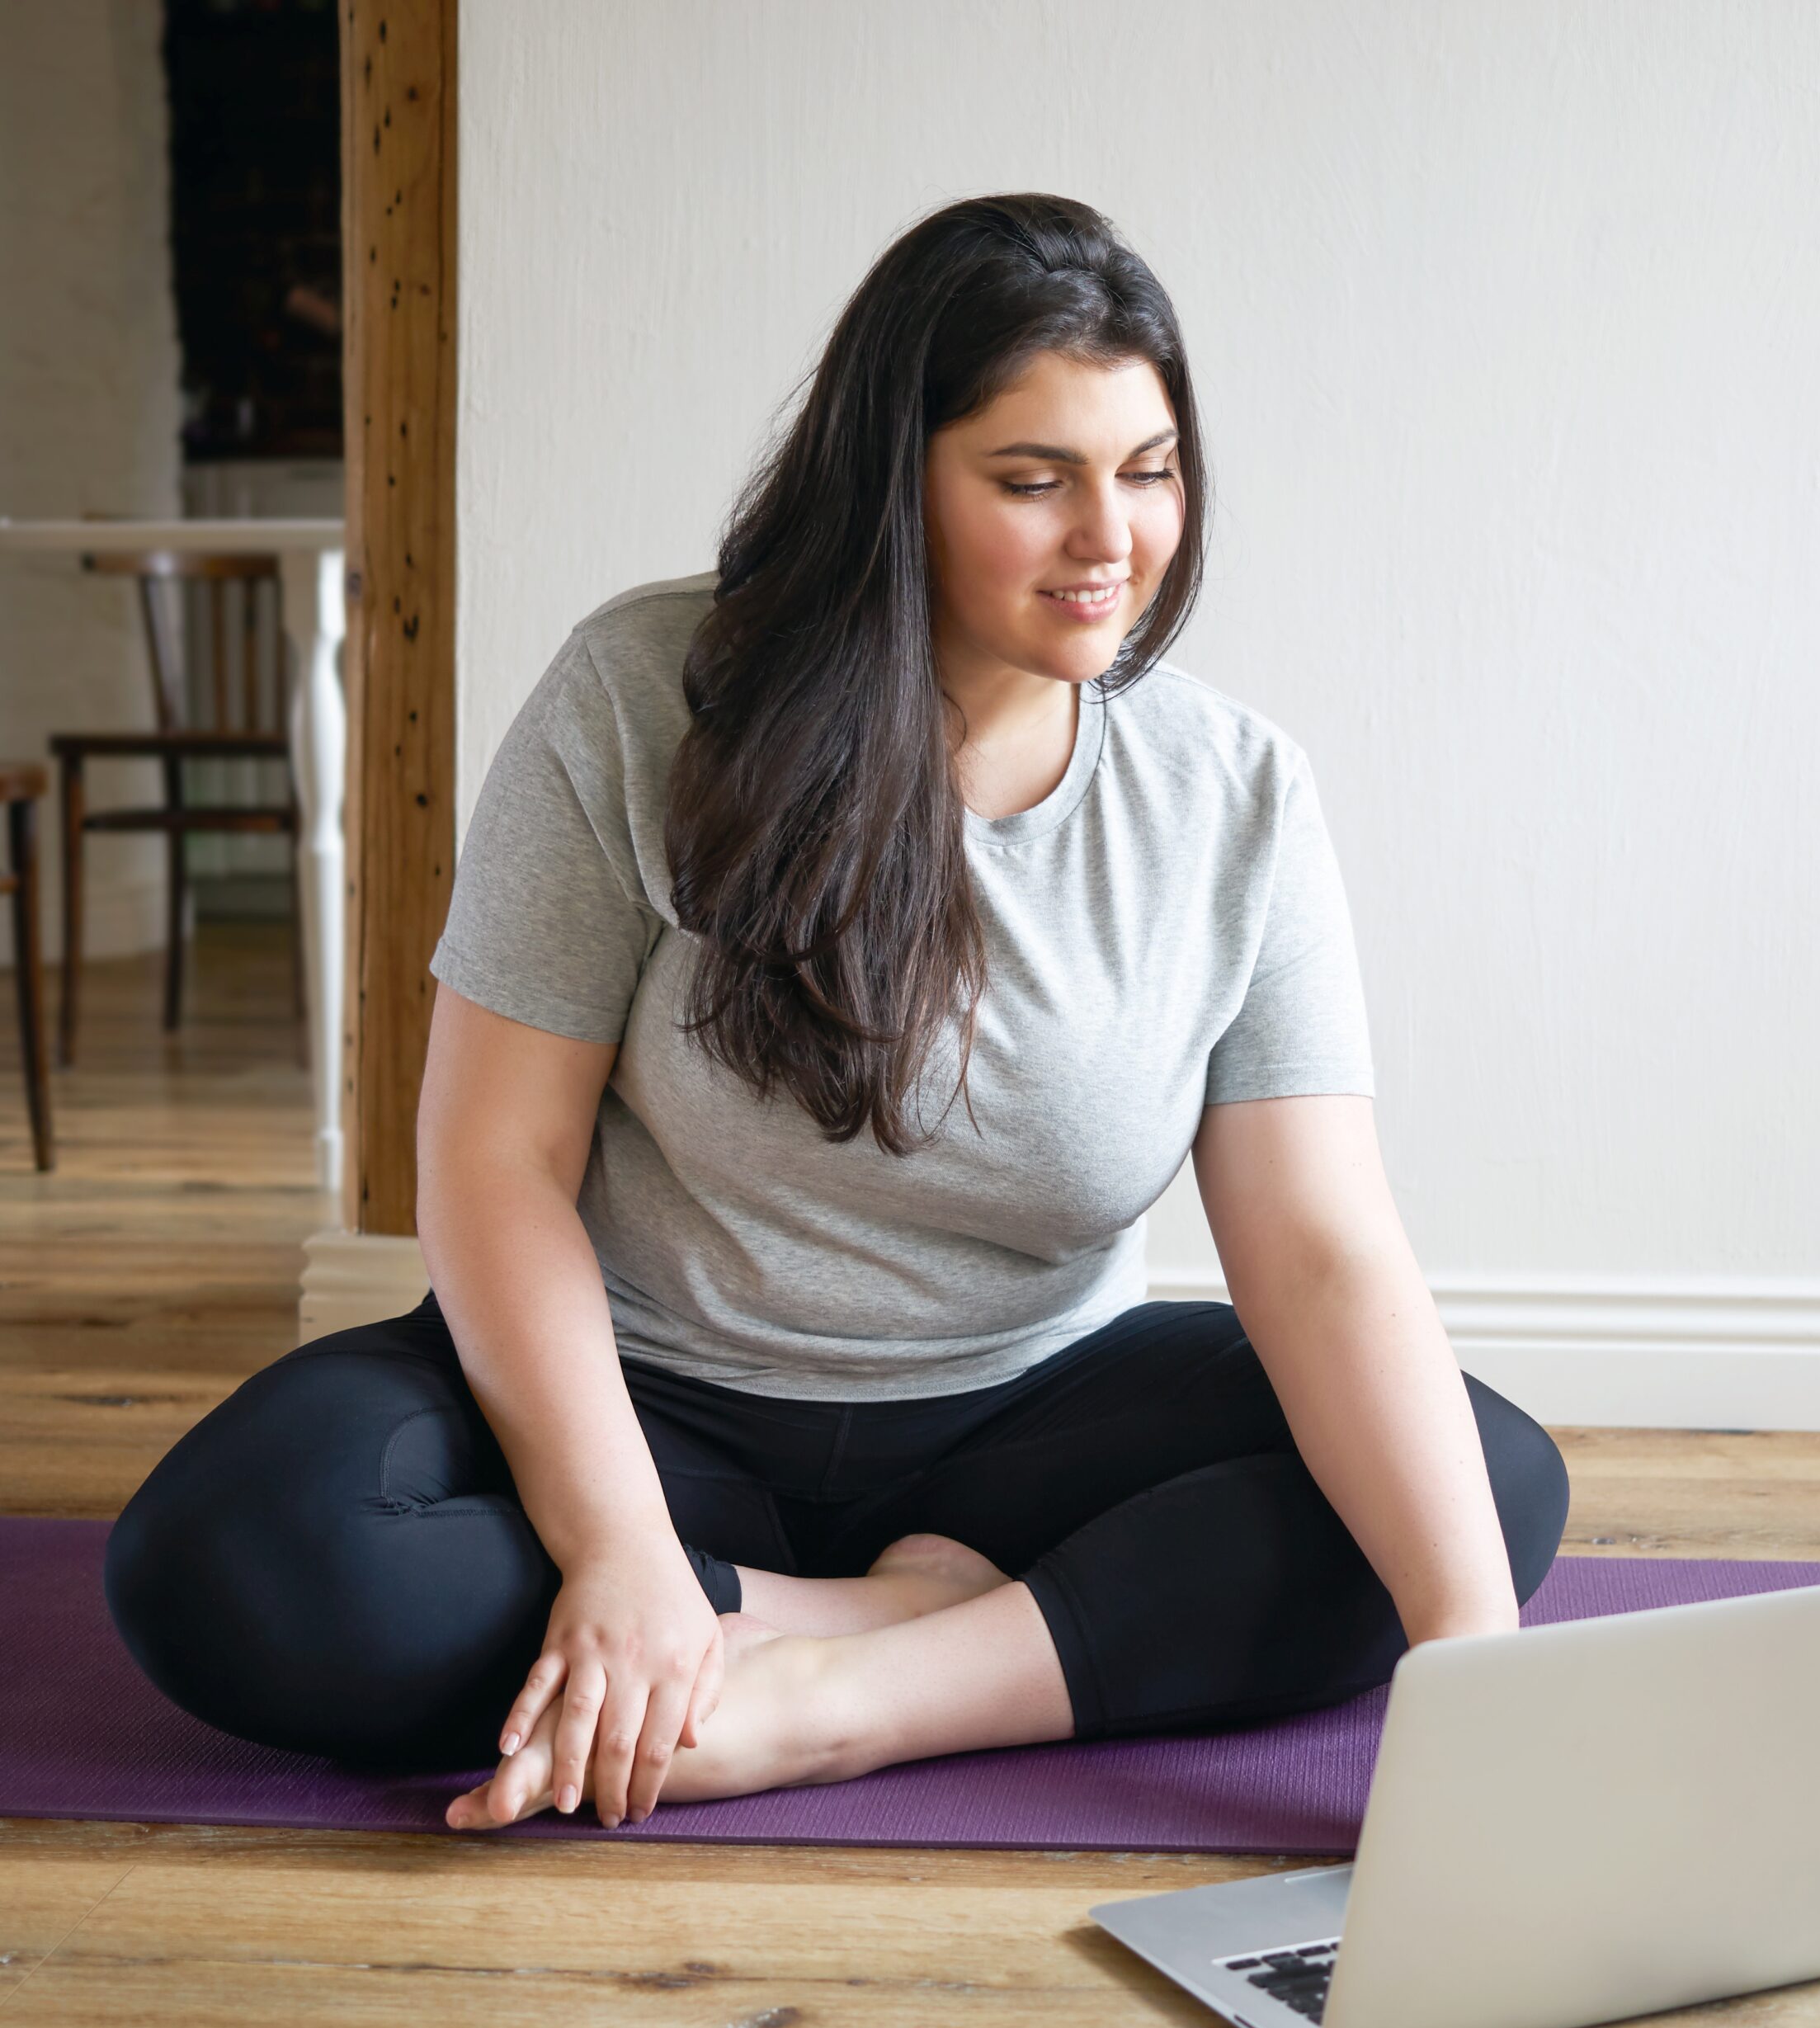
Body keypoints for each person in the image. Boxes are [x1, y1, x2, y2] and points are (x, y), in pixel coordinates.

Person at [104, 192, 1569, 1835]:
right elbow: (493, 1157)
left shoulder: (1233, 795)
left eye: (1149, 469)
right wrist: (620, 1550)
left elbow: (1318, 1252)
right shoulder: (641, 695)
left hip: (1031, 1423)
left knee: (1484, 1488)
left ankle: (842, 1699)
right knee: (229, 1559)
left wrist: (1476, 1675)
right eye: (1034, 479)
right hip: (649, 1396)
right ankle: (850, 1617)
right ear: (893, 481)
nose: (1111, 537)